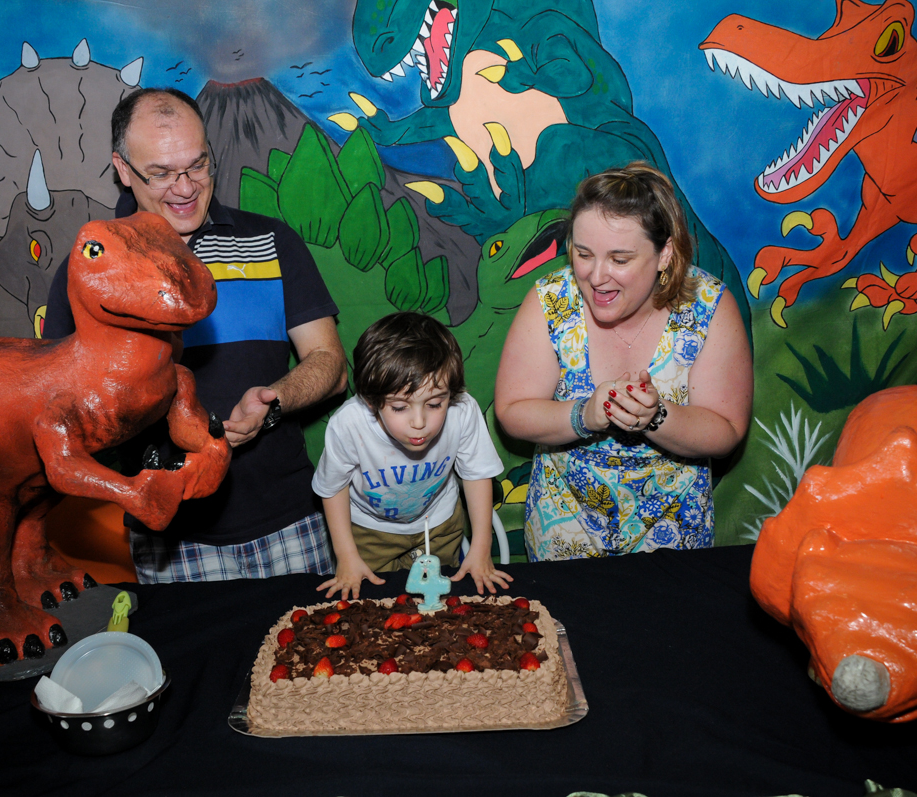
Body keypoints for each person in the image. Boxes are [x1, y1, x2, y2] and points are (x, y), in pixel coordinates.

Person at [43, 87, 347, 581]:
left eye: (197, 166)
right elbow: (58, 410)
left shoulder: (270, 241)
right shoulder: (90, 272)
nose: (184, 188)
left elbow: (330, 366)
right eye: (160, 173)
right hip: (171, 539)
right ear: (122, 169)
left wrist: (272, 402)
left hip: (291, 521)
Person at [494, 162, 752, 560]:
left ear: (665, 253)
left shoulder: (709, 305)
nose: (596, 276)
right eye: (583, 254)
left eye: (619, 258)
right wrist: (585, 414)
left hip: (673, 531)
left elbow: (727, 429)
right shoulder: (550, 300)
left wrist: (657, 416)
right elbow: (512, 411)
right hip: (564, 528)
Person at [312, 312, 512, 599]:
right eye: (399, 407)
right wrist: (345, 555)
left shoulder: (462, 410)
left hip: (441, 524)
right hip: (370, 532)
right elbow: (333, 487)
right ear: (371, 400)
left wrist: (481, 545)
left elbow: (477, 473)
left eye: (434, 403)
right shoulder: (348, 424)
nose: (419, 422)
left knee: (440, 606)